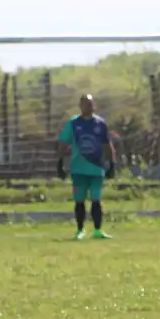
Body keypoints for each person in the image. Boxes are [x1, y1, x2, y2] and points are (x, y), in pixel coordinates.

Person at [56, 94, 116, 240]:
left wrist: (112, 164)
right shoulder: (73, 124)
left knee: (96, 199)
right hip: (78, 169)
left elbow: (107, 145)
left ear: (93, 105)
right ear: (80, 106)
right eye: (84, 104)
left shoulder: (100, 124)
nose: (88, 107)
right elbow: (63, 143)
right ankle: (80, 230)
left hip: (96, 168)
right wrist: (60, 163)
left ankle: (97, 230)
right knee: (79, 200)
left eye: (90, 104)